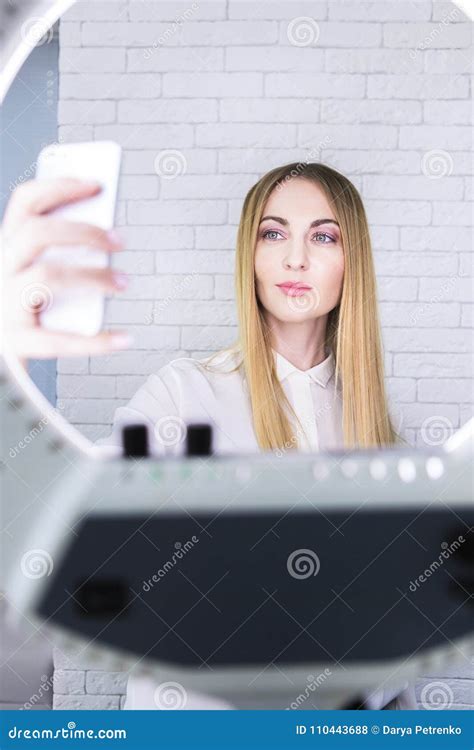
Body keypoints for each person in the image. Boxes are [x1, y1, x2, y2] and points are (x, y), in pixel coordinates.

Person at [1, 161, 416, 709]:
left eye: (323, 236)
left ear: (351, 260)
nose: (296, 258)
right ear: (250, 255)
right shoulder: (182, 396)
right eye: (273, 234)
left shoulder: (384, 440)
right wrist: (13, 364)